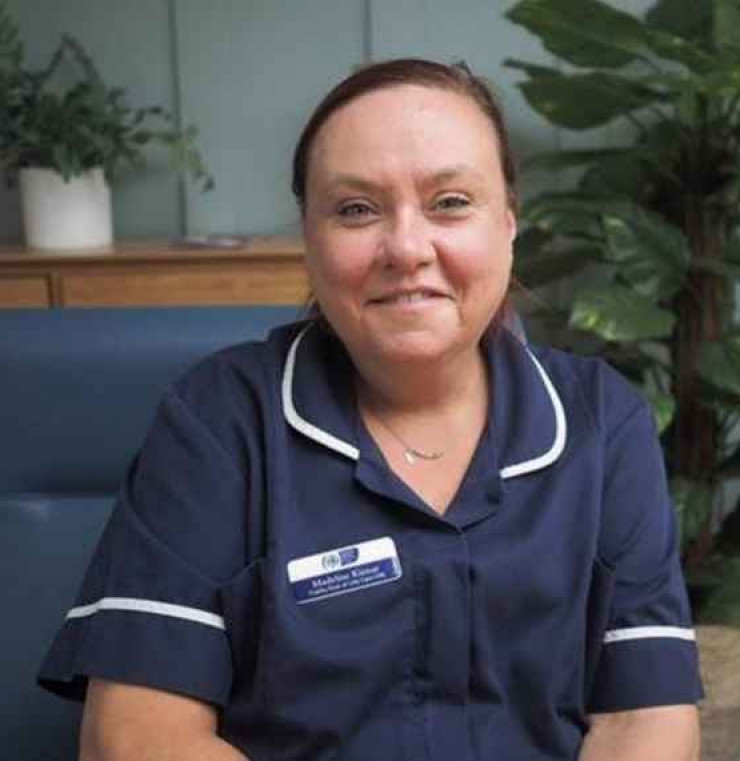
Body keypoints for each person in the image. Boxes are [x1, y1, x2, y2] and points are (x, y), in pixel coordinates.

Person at [38, 58, 703, 761]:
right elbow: (138, 735)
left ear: (508, 223)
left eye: (450, 202)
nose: (408, 248)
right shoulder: (219, 421)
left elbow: (645, 720)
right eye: (356, 209)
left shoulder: (605, 422)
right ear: (310, 237)